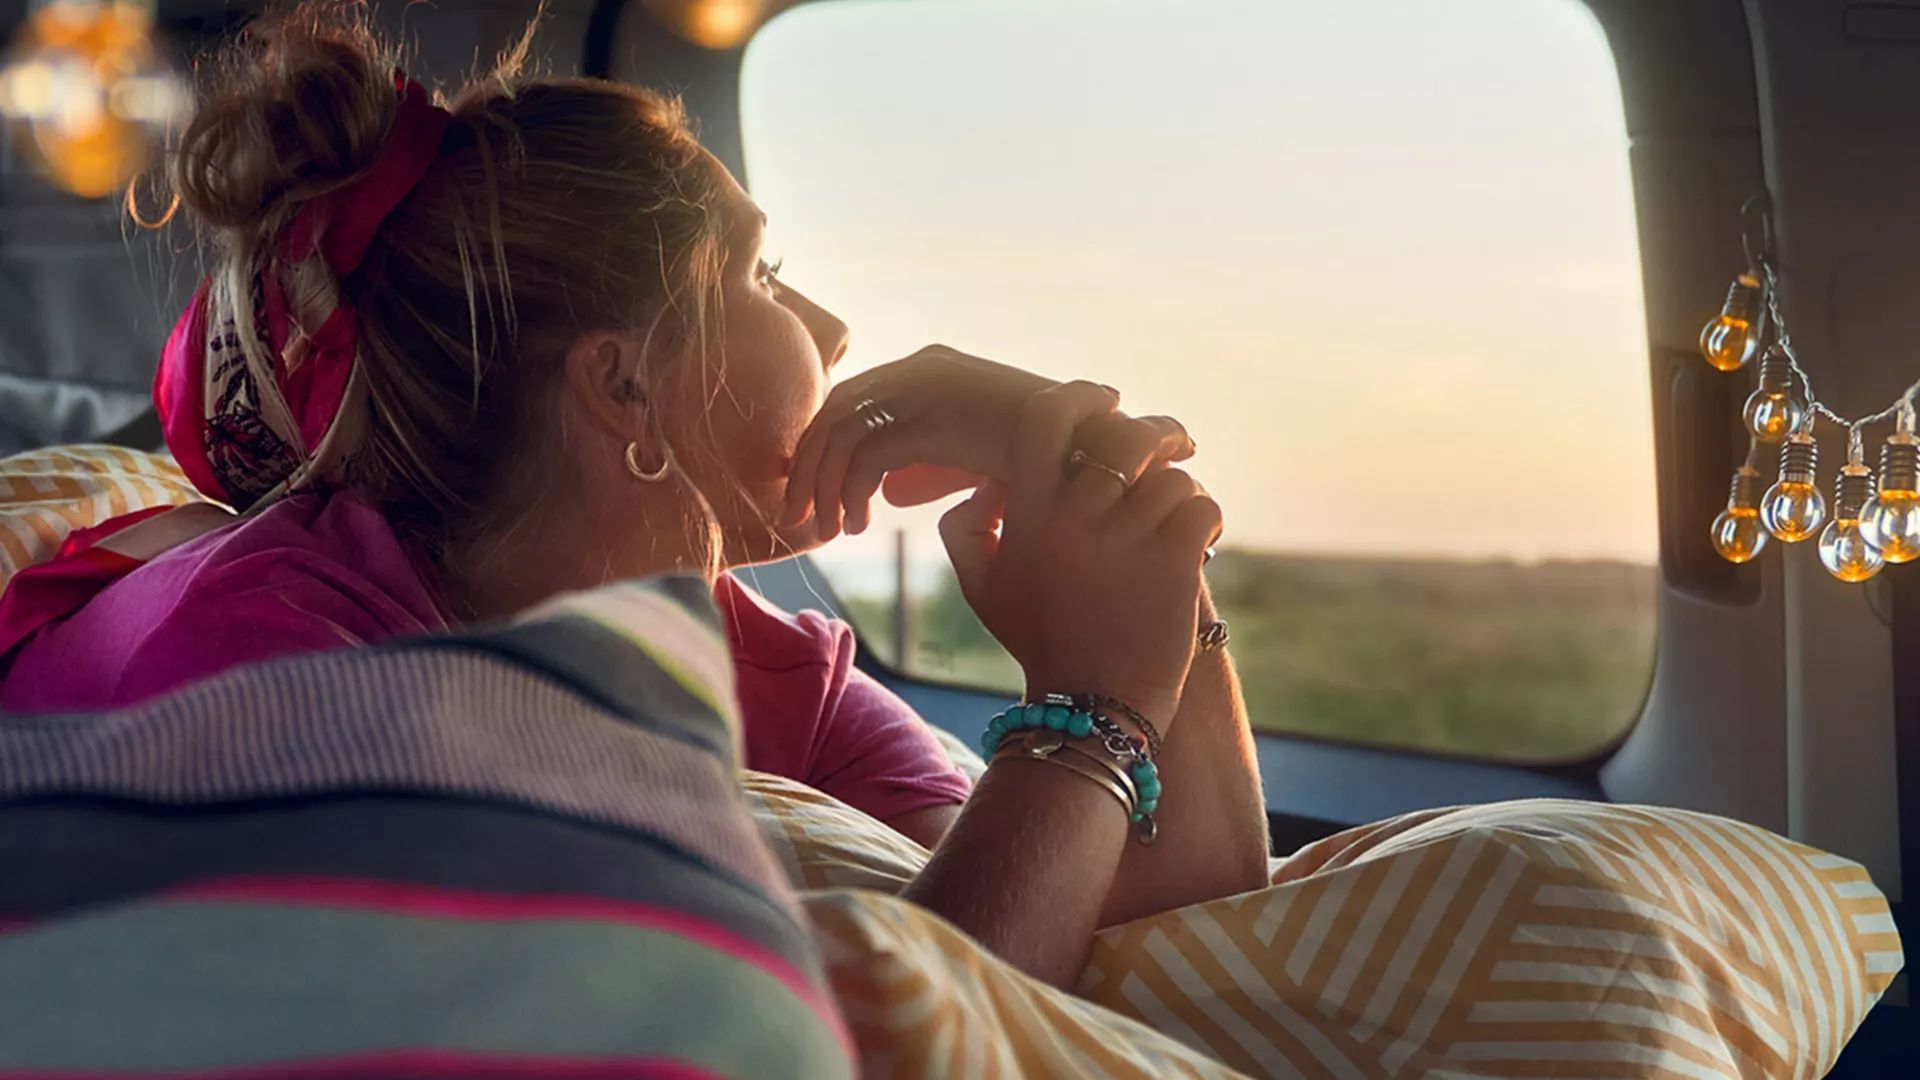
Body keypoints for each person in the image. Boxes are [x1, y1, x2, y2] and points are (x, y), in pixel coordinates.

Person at [0, 3, 1269, 984]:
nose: (829, 324)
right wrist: (1082, 714)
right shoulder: (271, 671)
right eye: (766, 275)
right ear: (623, 385)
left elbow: (1169, 917)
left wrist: (1133, 545)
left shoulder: (763, 667)